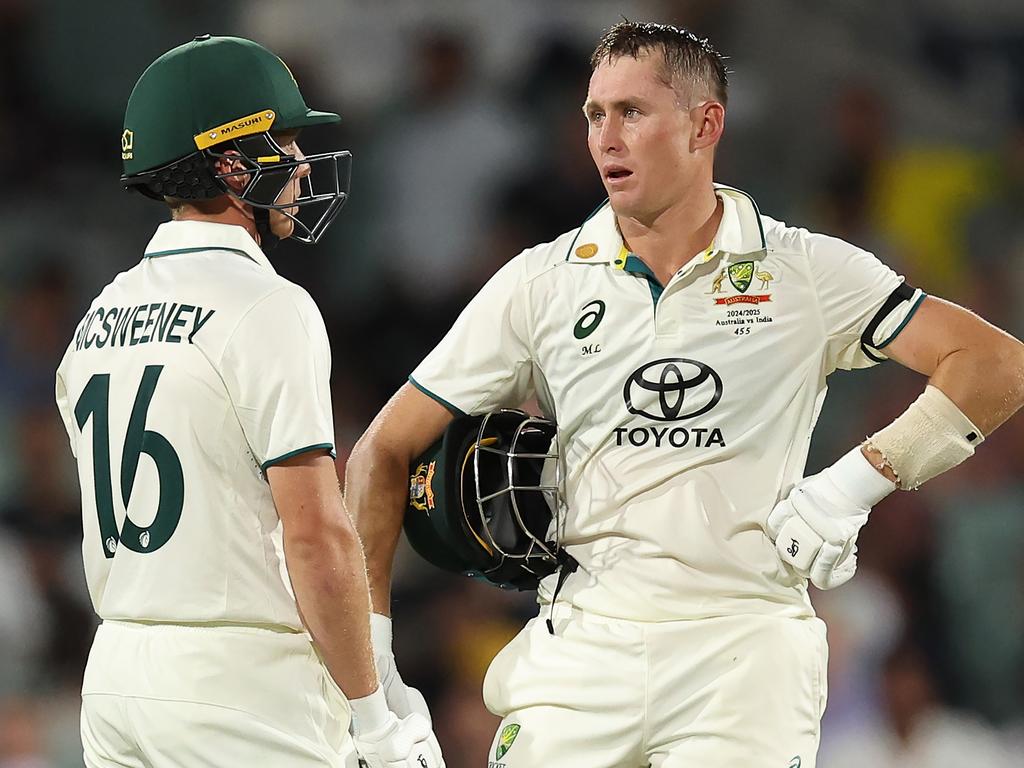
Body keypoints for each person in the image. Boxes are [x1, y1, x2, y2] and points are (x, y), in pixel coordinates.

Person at [344, 21, 1024, 768]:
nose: (606, 137)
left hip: (744, 654)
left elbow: (995, 364)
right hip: (581, 652)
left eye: (631, 112)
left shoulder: (804, 271)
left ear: (706, 124)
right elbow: (380, 452)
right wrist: (374, 683)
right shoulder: (538, 283)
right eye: (594, 115)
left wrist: (851, 486)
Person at [53, 35, 443, 768]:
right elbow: (315, 535)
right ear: (234, 163)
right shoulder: (268, 305)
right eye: (288, 142)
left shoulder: (98, 315)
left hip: (115, 676)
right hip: (237, 682)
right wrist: (374, 720)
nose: (301, 164)